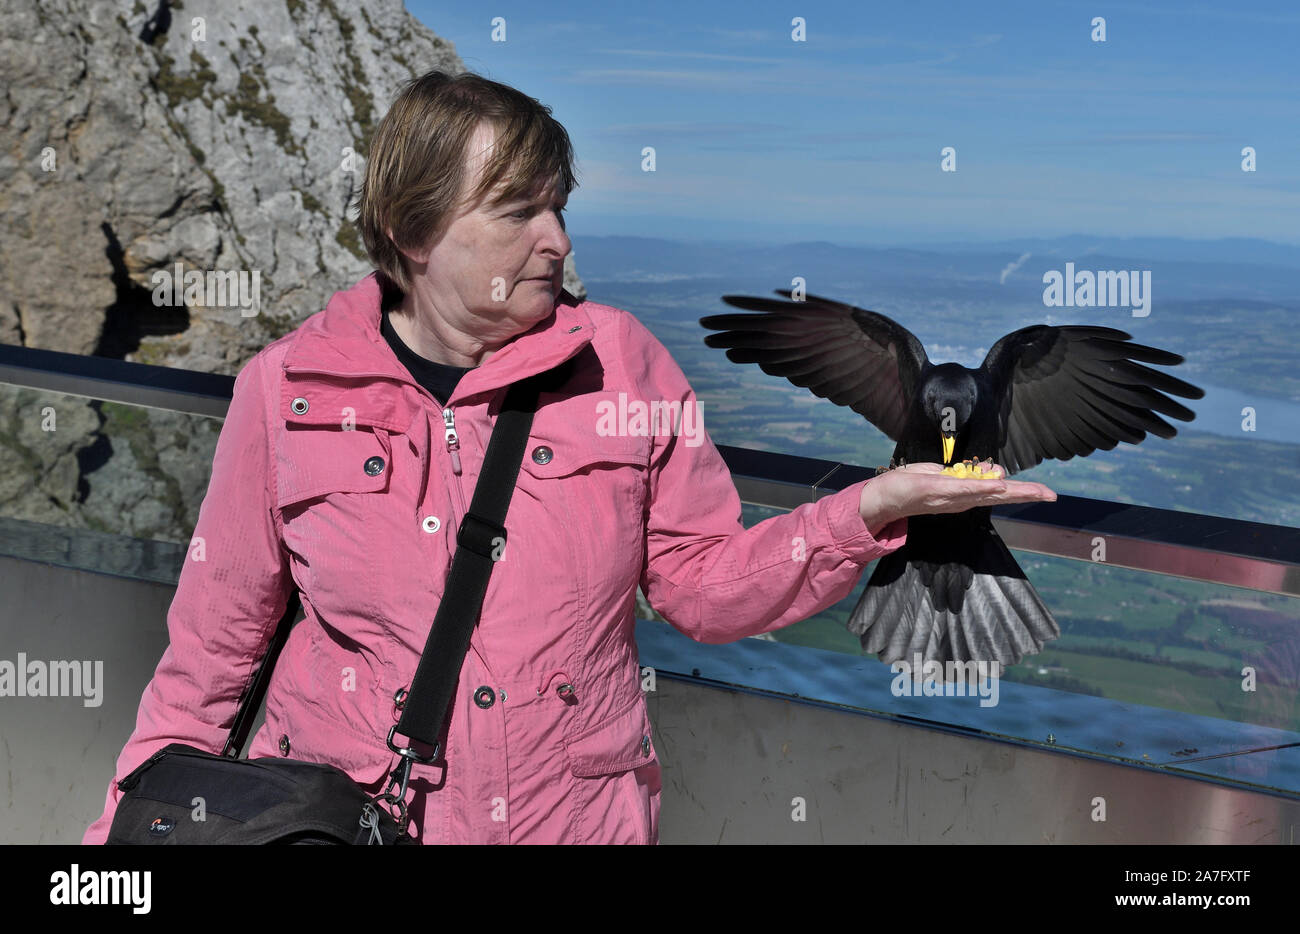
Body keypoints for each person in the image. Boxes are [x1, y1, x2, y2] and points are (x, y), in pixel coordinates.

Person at [83, 70, 1055, 845]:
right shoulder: (286, 391)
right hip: (342, 821)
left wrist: (866, 510)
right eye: (516, 210)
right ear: (408, 231)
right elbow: (209, 656)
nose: (555, 238)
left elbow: (703, 584)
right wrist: (112, 860)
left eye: (559, 206)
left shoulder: (622, 365)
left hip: (570, 822)